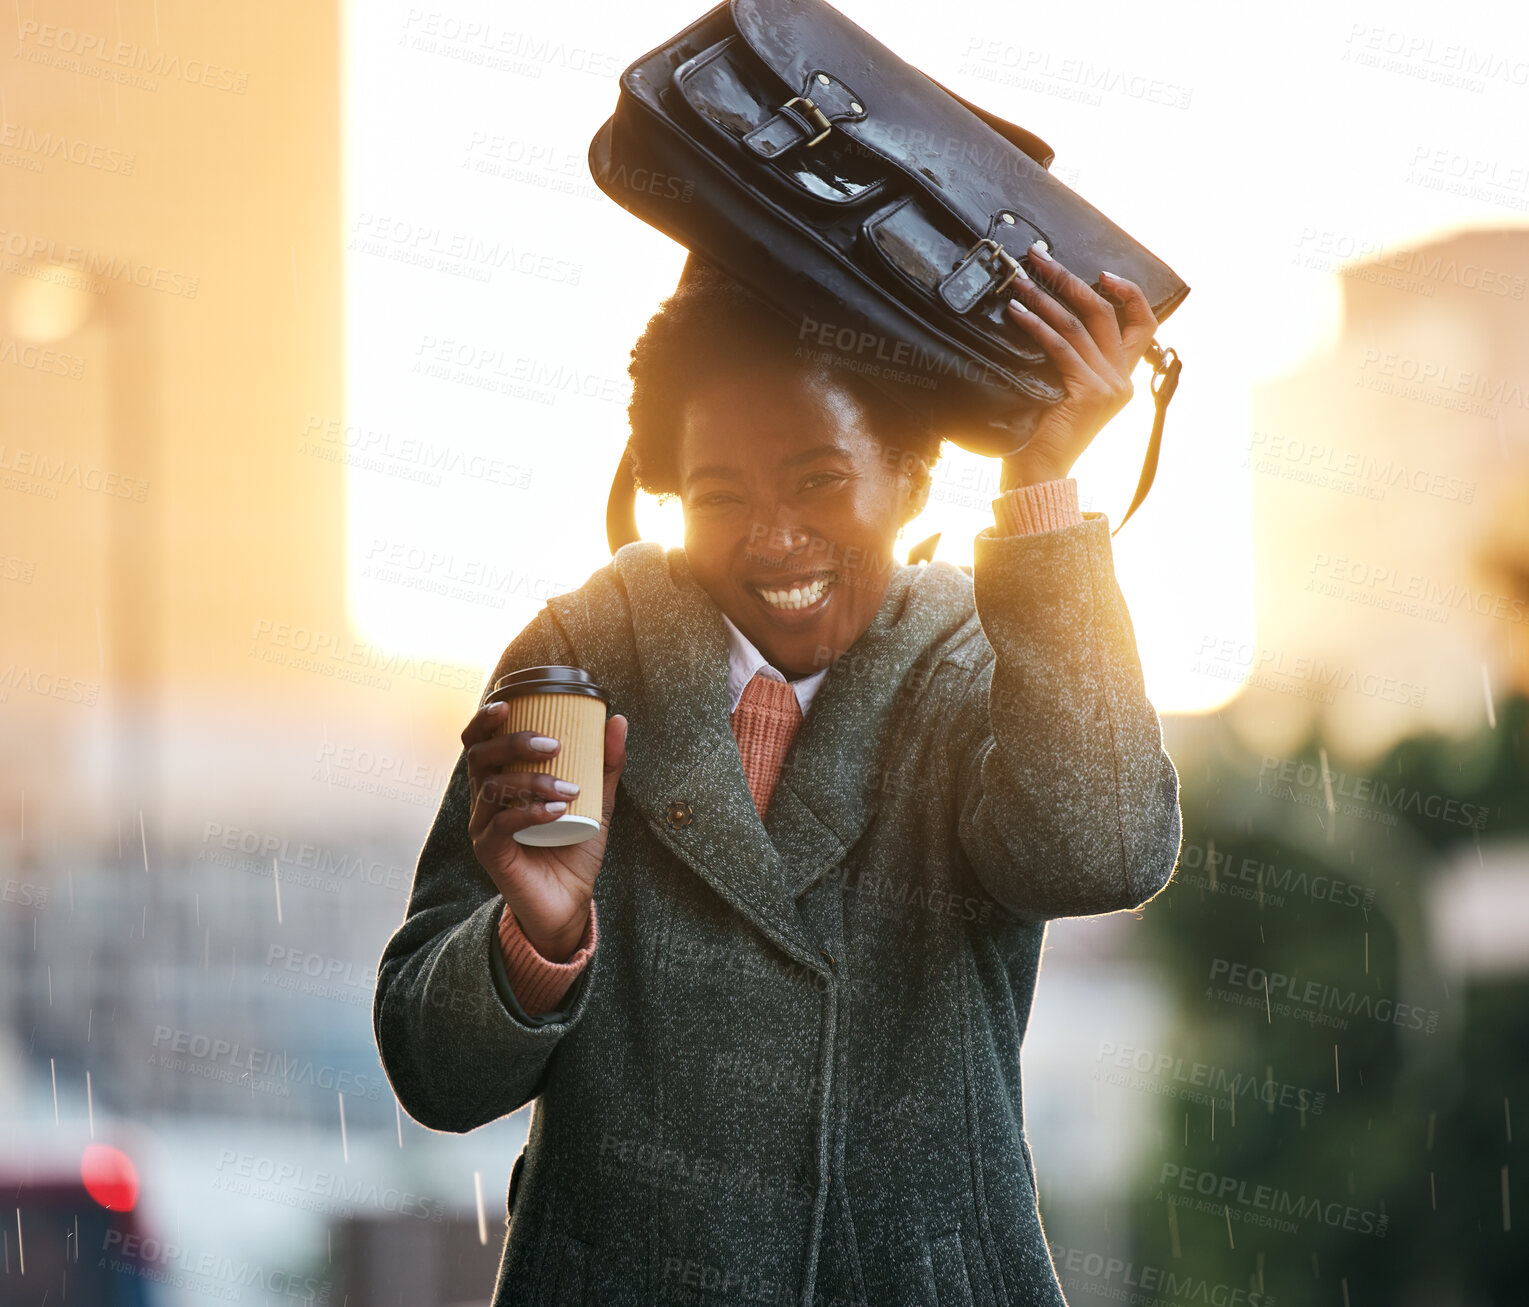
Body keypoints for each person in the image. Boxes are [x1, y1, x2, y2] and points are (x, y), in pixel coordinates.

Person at [373, 244, 1181, 1306]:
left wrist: (1038, 485)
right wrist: (534, 939)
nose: (773, 538)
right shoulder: (579, 665)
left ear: (906, 476)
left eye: (819, 479)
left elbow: (1104, 850)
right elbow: (436, 1074)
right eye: (719, 494)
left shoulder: (981, 657)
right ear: (668, 493)